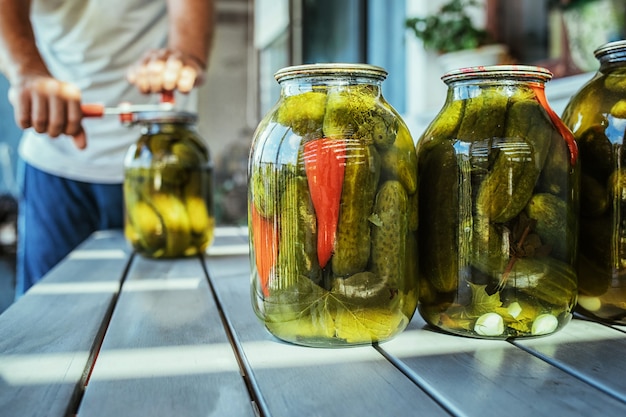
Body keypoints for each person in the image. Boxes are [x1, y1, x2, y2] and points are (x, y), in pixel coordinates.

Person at [0, 0, 215, 298]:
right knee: (46, 312)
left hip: (163, 168)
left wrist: (184, 57)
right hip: (53, 167)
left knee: (165, 304)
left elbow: (189, 29)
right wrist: (27, 71)